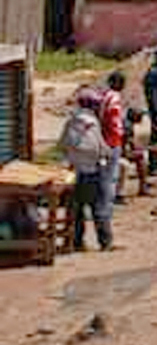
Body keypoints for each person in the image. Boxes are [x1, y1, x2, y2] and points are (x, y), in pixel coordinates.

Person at [61, 89, 112, 251]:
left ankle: (77, 242)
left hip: (74, 172)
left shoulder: (71, 122)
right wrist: (107, 154)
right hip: (92, 172)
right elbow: (98, 148)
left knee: (76, 210)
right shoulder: (92, 123)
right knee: (98, 208)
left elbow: (62, 145)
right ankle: (105, 242)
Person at [99, 73, 126, 205]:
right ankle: (107, 202)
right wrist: (119, 135)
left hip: (104, 138)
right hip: (112, 140)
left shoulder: (104, 96)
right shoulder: (114, 98)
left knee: (105, 174)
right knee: (111, 175)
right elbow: (113, 120)